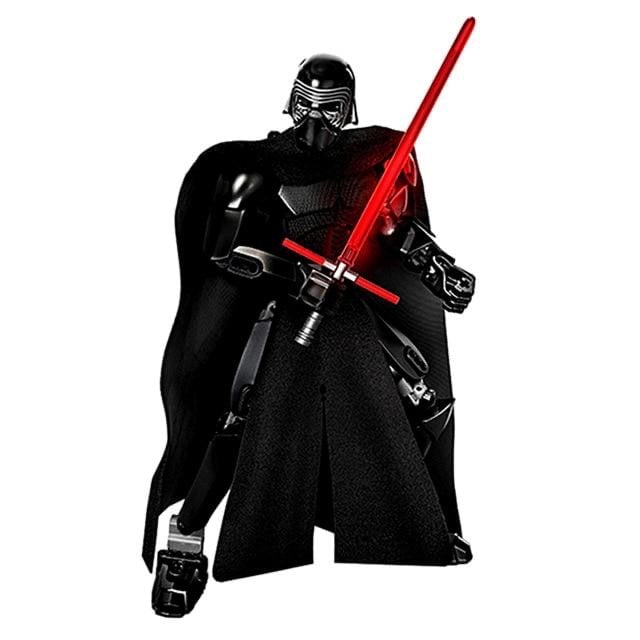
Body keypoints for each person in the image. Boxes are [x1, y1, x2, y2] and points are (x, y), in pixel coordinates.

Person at [143, 53, 476, 617]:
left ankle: (427, 520)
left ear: (349, 109)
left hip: (351, 311)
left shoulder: (371, 163)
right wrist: (294, 274)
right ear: (292, 102)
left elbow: (394, 228)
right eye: (308, 105)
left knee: (420, 400)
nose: (318, 120)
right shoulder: (257, 172)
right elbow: (226, 253)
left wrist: (436, 266)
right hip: (281, 309)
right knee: (242, 418)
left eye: (330, 108)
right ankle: (185, 537)